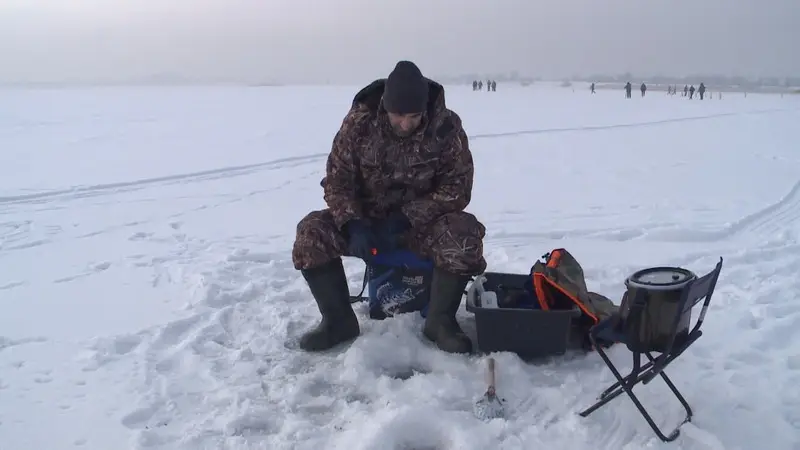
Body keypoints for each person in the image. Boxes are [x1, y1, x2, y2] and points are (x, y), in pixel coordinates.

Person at [291, 61, 487, 354]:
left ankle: (440, 321)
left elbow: (458, 188)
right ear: (385, 106)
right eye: (398, 116)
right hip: (367, 223)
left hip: (421, 225)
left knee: (465, 233)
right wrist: (352, 223)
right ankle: (338, 321)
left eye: (414, 116)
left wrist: (408, 218)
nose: (405, 124)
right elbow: (337, 180)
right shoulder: (360, 123)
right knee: (311, 232)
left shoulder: (446, 127)